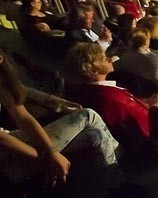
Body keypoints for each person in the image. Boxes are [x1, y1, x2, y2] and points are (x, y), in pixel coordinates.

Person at [0, 51, 119, 187]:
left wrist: (55, 101)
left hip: (13, 137)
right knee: (88, 115)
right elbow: (2, 139)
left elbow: (23, 117)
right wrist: (49, 155)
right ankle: (118, 179)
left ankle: (116, 176)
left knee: (96, 134)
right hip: (5, 159)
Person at [69, 43, 158, 144]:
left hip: (147, 110)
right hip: (155, 129)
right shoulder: (109, 97)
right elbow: (139, 124)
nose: (109, 59)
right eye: (104, 59)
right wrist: (153, 106)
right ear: (93, 69)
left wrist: (146, 102)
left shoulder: (94, 90)